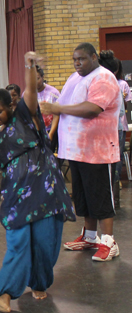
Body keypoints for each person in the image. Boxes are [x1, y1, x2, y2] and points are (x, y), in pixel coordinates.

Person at [0, 52, 75, 313]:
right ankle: (5, 295)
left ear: (11, 107)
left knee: (44, 245)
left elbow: (31, 92)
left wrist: (29, 65)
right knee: (18, 243)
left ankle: (39, 282)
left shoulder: (25, 116)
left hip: (45, 191)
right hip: (16, 197)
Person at [41, 42, 122, 262]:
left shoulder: (103, 77)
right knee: (84, 196)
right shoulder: (74, 78)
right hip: (76, 149)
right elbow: (64, 104)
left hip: (98, 149)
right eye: (75, 59)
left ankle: (109, 241)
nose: (77, 63)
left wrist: (57, 109)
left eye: (82, 59)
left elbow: (92, 109)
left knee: (101, 197)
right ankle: (90, 236)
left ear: (94, 57)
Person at [113, 57, 132, 186]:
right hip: (106, 126)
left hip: (120, 124)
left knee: (118, 153)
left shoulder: (122, 84)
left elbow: (125, 105)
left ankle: (116, 180)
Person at [34, 66, 60, 153]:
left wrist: (51, 134)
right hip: (34, 132)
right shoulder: (27, 94)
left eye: (37, 78)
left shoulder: (53, 93)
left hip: (50, 130)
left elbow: (57, 114)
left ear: (42, 77)